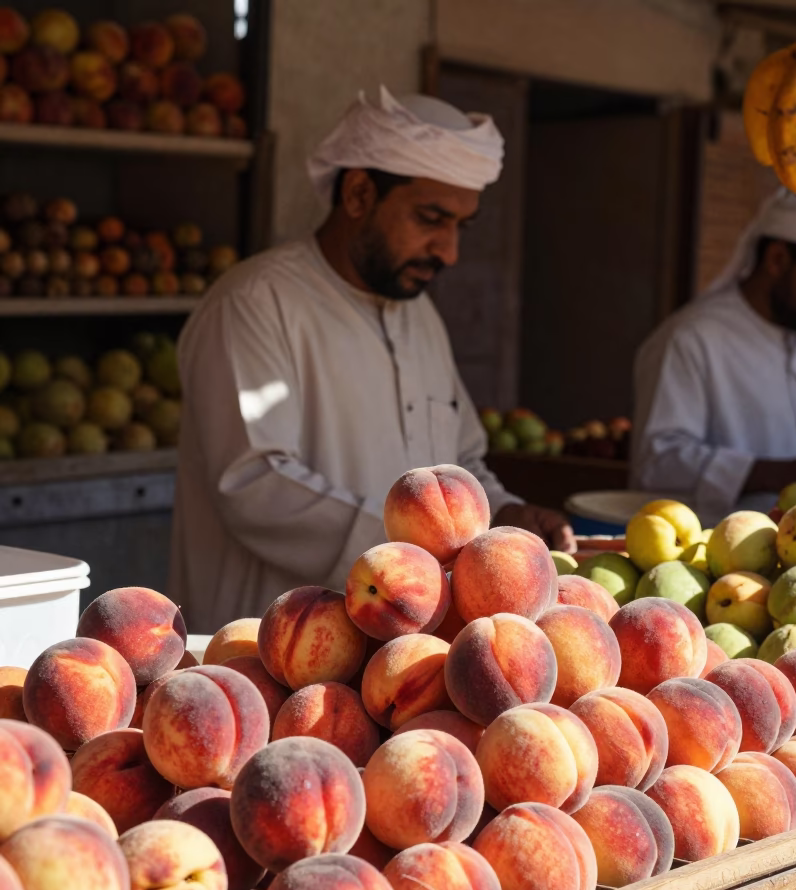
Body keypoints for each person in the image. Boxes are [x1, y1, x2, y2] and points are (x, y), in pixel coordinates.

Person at [170, 87, 573, 631]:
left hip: (398, 651)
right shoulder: (254, 303)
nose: (448, 251)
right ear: (358, 193)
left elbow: (462, 464)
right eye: (431, 218)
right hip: (265, 647)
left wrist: (502, 516)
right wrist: (419, 552)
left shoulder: (421, 316)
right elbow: (253, 484)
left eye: (460, 226)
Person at [632, 188, 796, 525]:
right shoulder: (692, 338)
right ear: (777, 259)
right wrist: (779, 473)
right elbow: (656, 461)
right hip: (711, 561)